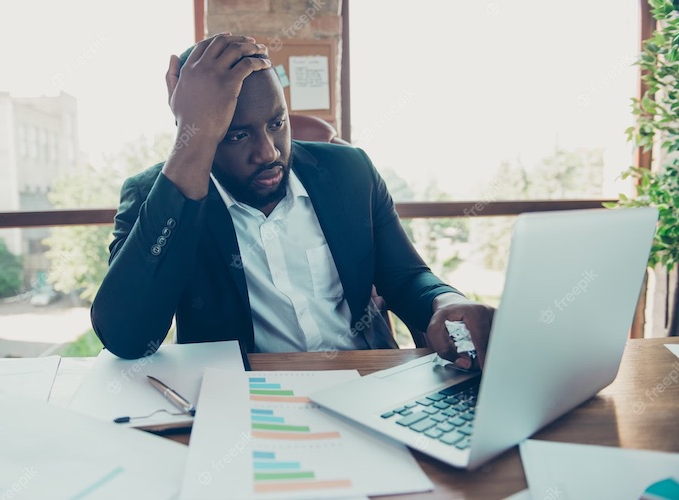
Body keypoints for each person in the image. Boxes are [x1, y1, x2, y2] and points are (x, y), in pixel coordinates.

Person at [91, 33, 495, 369]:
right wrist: (190, 144)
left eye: (276, 122)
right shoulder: (155, 195)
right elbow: (127, 337)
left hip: (367, 378)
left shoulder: (349, 171)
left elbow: (406, 278)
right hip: (246, 398)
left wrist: (448, 302)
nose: (268, 152)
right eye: (236, 135)